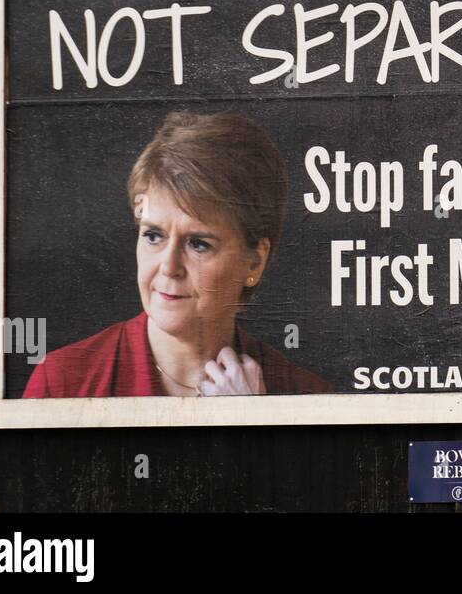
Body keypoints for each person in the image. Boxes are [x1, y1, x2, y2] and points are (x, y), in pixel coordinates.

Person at [23, 111, 331, 397]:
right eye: (153, 236)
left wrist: (251, 432)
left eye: (198, 243)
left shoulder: (308, 397)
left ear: (255, 261)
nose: (168, 267)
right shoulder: (63, 382)